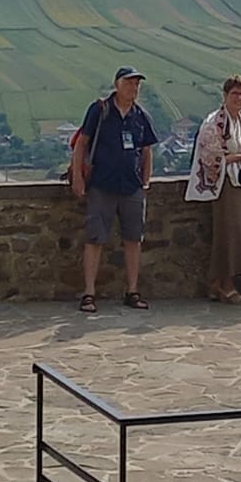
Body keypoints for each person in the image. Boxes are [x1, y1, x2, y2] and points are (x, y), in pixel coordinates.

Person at [70, 65, 158, 314]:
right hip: (102, 184)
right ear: (117, 84)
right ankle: (89, 293)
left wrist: (145, 180)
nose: (134, 88)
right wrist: (78, 177)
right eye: (129, 83)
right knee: (95, 237)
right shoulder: (100, 110)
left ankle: (132, 290)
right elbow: (82, 143)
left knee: (134, 239)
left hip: (131, 186)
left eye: (137, 84)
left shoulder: (140, 115)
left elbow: (147, 149)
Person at [185, 76, 241, 305]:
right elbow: (210, 158)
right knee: (230, 236)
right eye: (235, 94)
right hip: (224, 186)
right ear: (225, 96)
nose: (240, 99)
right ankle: (227, 286)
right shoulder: (214, 123)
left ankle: (217, 284)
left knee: (236, 233)